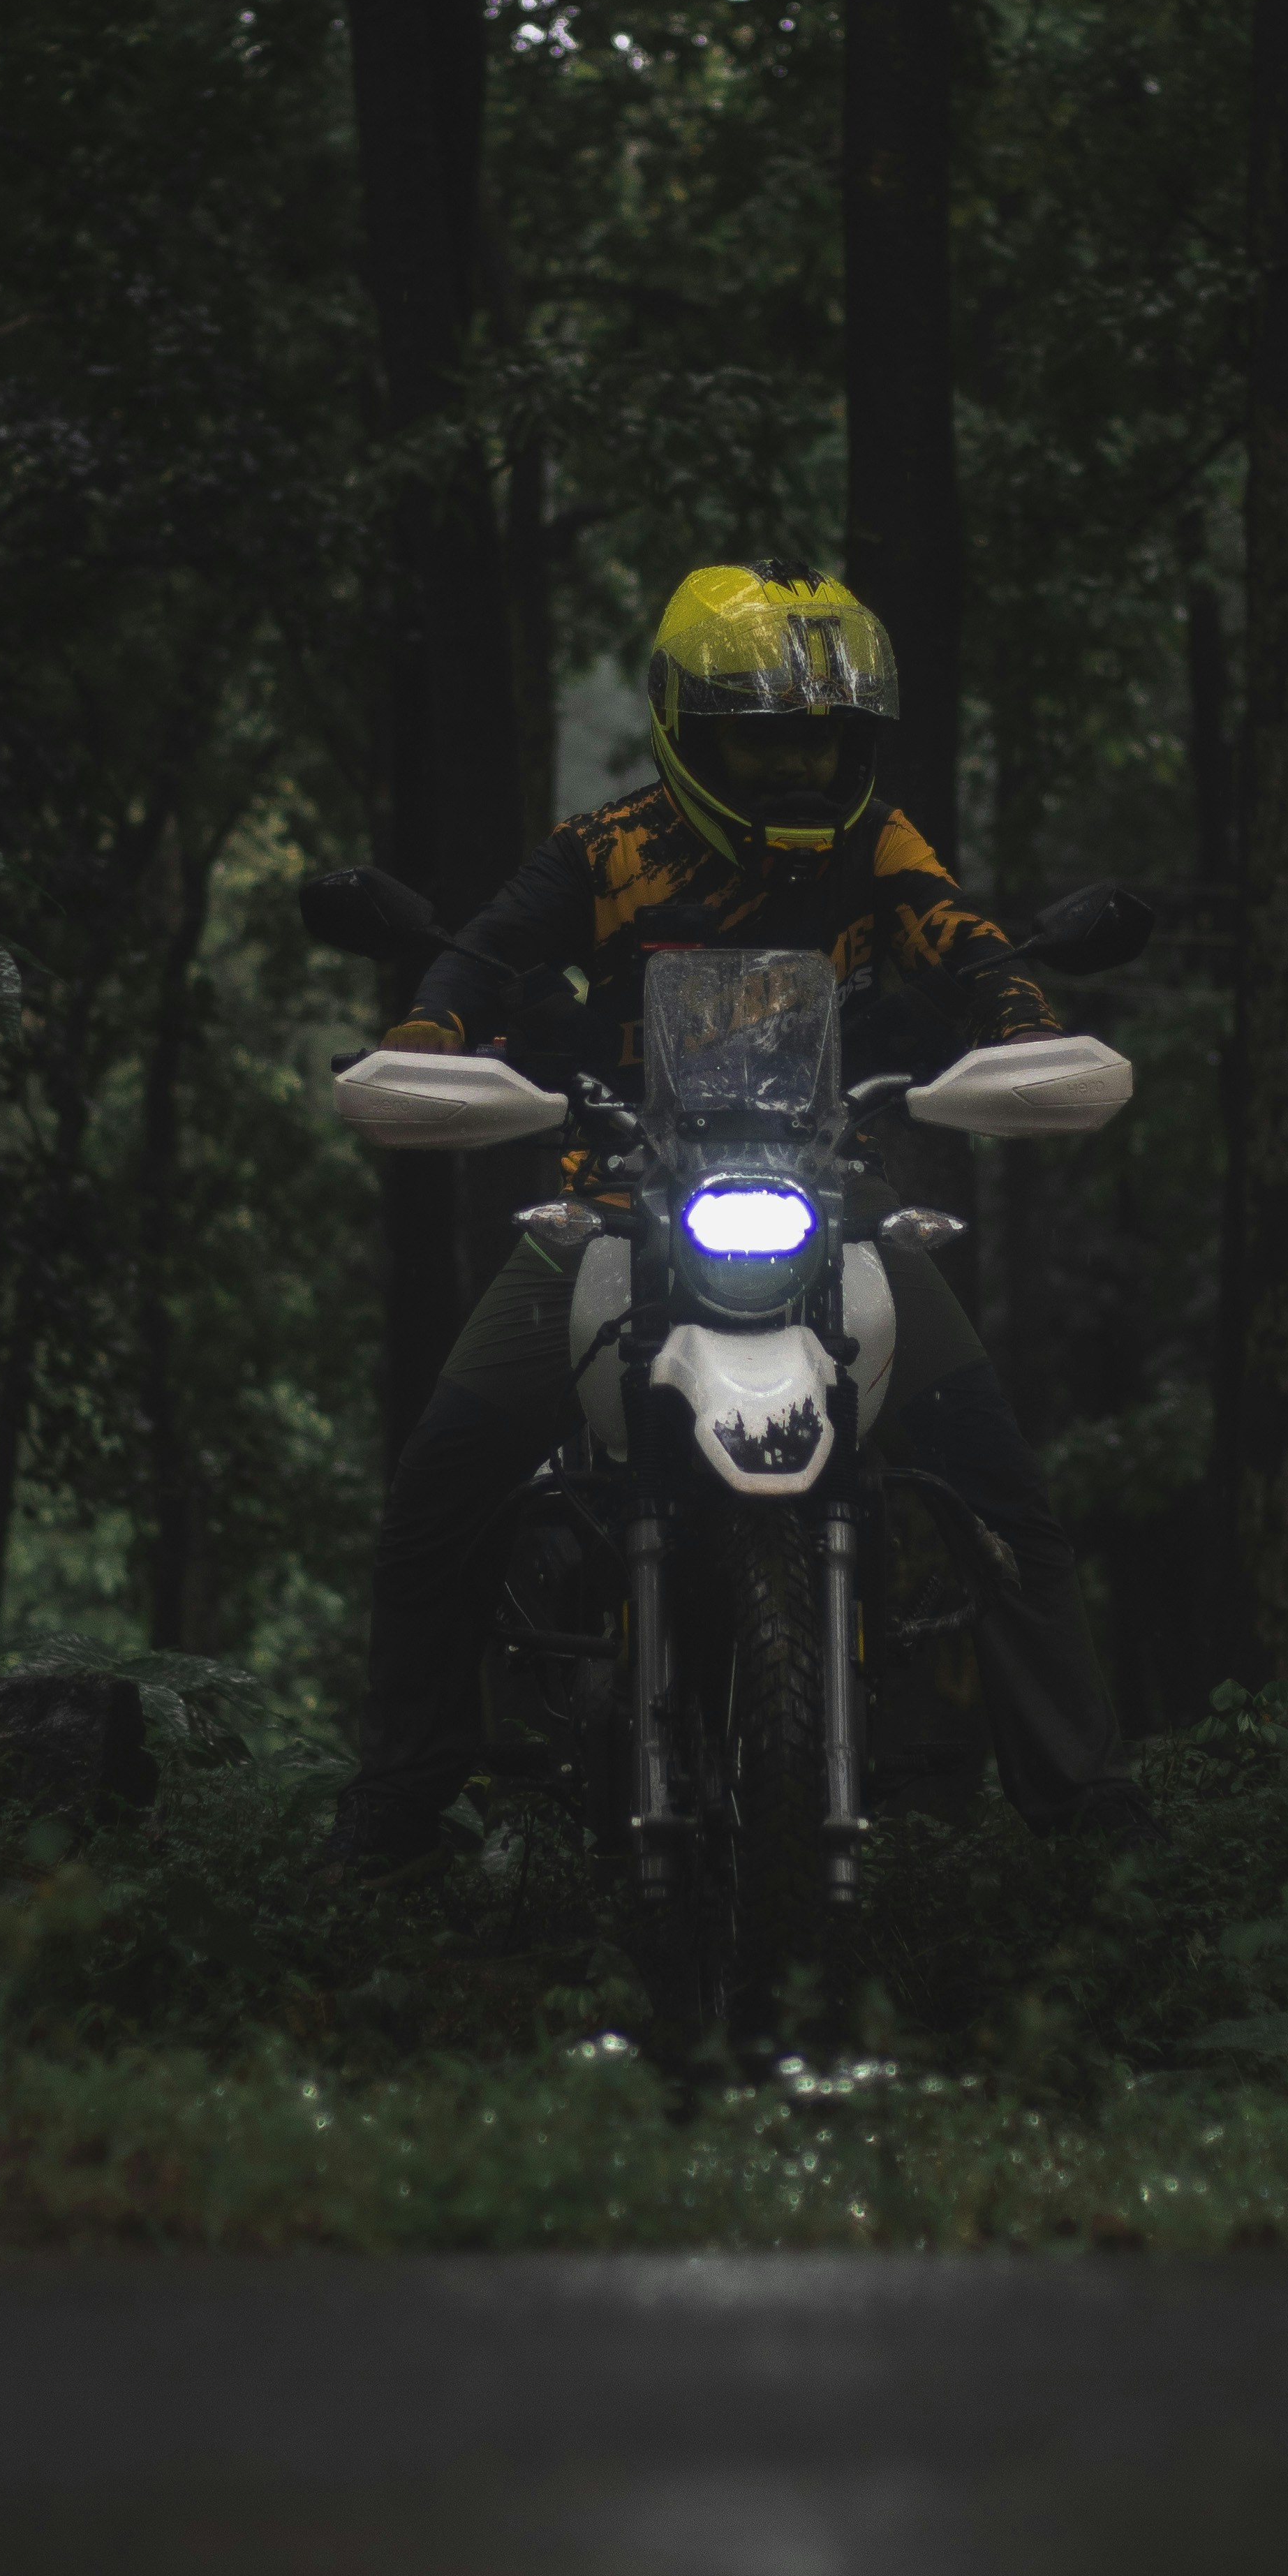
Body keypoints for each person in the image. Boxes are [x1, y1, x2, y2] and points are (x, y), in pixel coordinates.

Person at [323, 558, 1158, 1881]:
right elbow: (478, 964)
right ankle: (394, 1806)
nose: (796, 766)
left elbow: (975, 954)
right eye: (763, 738)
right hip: (606, 1212)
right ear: (689, 731)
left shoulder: (880, 848)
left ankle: (1086, 1814)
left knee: (1002, 1494)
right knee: (441, 1487)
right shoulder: (603, 852)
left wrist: (1023, 1030)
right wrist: (430, 1036)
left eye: (820, 736)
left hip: (842, 1209)